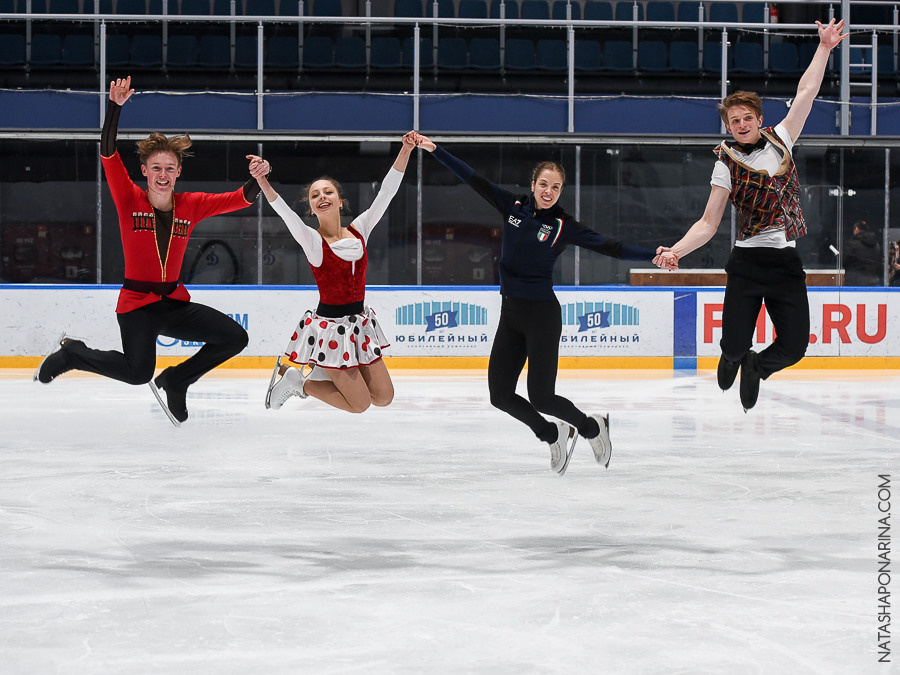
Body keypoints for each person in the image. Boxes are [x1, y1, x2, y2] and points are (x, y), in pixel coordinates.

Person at [412, 131, 667, 474]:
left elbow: (612, 247)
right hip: (511, 314)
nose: (549, 191)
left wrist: (656, 254)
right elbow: (472, 179)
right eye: (544, 184)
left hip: (542, 315)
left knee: (543, 397)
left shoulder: (562, 225)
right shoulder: (512, 207)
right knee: (500, 396)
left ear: (561, 191)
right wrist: (434, 150)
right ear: (533, 184)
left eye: (556, 187)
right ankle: (551, 433)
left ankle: (592, 428)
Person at [34, 76, 258, 426]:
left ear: (179, 172)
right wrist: (114, 108)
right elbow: (107, 153)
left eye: (170, 168)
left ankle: (178, 379)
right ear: (145, 172)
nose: (163, 174)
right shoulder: (129, 197)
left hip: (172, 303)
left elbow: (239, 198)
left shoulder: (191, 204)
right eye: (156, 168)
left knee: (235, 337)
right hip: (137, 306)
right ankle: (74, 354)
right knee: (138, 373)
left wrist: (257, 178)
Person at [654, 19, 848, 412]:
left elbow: (807, 91)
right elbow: (709, 222)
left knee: (795, 348)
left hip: (785, 262)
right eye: (733, 122)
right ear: (728, 127)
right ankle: (733, 357)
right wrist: (676, 251)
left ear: (759, 119)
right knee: (733, 342)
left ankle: (757, 366)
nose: (741, 125)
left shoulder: (783, 139)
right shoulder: (725, 162)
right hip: (746, 262)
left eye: (746, 118)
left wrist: (825, 47)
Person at [248, 132, 415, 414]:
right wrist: (261, 179)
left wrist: (406, 149)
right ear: (312, 209)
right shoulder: (313, 241)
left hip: (360, 326)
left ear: (340, 201)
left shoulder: (360, 230)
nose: (321, 196)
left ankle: (326, 373)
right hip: (331, 331)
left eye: (328, 192)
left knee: (384, 397)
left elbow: (387, 192)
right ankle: (299, 382)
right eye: (315, 195)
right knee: (359, 404)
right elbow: (284, 212)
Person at [843, 220, 882, 286]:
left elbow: (844, 261)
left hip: (854, 281)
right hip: (873, 280)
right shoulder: (876, 245)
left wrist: (838, 256)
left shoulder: (852, 244)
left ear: (857, 229)